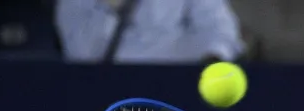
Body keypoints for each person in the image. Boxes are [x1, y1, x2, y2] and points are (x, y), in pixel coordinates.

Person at [55, 0, 243, 63]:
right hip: (108, 98)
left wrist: (211, 61)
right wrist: (111, 9)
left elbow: (221, 33)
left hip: (179, 91)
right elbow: (81, 53)